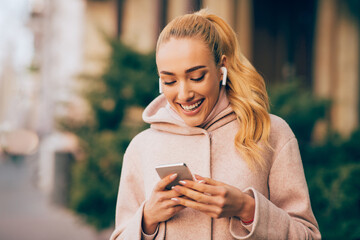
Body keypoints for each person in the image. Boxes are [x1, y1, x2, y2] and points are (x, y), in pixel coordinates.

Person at [110, 9, 321, 240]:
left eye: (197, 77)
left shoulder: (270, 133)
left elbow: (308, 236)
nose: (184, 94)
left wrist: (246, 208)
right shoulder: (142, 147)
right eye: (169, 81)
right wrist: (148, 219)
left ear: (221, 69)